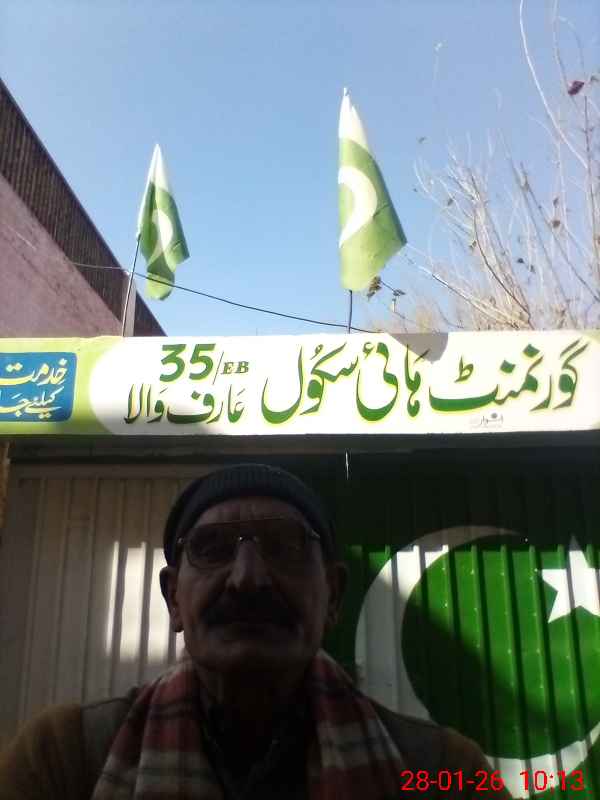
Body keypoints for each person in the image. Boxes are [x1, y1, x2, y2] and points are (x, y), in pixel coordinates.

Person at [0, 463, 509, 799]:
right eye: (212, 549)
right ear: (174, 598)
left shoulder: (447, 772)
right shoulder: (60, 761)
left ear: (333, 596)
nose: (247, 579)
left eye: (285, 546)